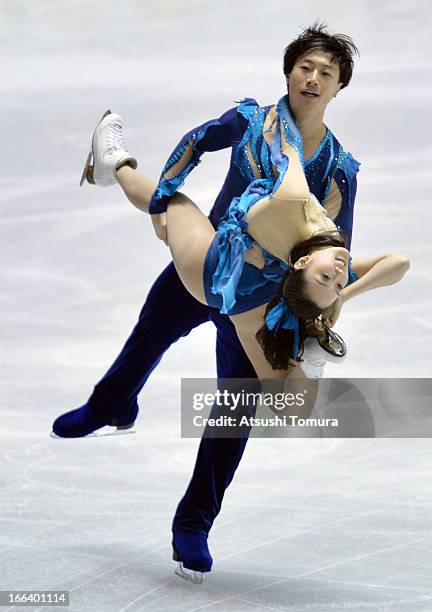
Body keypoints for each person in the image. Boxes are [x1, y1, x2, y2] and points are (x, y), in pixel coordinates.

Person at [53, 23, 368, 580]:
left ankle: (193, 523)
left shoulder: (338, 167)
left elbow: (338, 242)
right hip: (208, 259)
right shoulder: (251, 122)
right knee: (150, 332)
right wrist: (164, 198)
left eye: (326, 72)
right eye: (305, 67)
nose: (313, 78)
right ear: (289, 72)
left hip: (259, 297)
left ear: (340, 86)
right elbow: (197, 141)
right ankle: (110, 406)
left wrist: (323, 306)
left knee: (234, 408)